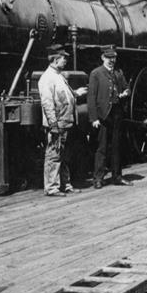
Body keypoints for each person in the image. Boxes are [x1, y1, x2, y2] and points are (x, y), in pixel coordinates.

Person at [39, 44, 88, 196]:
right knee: (54, 155)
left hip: (66, 122)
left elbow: (64, 96)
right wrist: (53, 125)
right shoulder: (47, 78)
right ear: (54, 60)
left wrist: (76, 94)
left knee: (64, 156)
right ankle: (52, 188)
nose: (65, 61)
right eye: (63, 59)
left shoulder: (58, 76)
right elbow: (47, 103)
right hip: (57, 124)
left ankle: (65, 185)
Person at [87, 45, 131, 189]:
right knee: (102, 148)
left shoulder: (118, 73)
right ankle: (98, 178)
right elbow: (91, 97)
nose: (111, 60)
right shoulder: (96, 74)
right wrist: (94, 118)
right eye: (108, 58)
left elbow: (127, 88)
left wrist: (125, 93)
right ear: (102, 58)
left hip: (117, 114)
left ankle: (117, 176)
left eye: (113, 58)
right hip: (103, 115)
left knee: (117, 146)